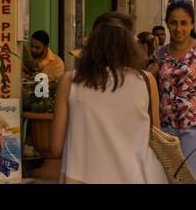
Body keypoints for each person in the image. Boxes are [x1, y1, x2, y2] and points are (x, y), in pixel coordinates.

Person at [53, 11, 168, 184]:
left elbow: (56, 147)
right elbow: (156, 141)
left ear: (92, 43)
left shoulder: (70, 81)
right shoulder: (146, 81)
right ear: (130, 44)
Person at [149, 0, 196, 178]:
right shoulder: (160, 53)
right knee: (167, 178)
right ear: (167, 23)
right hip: (166, 130)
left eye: (183, 23)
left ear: (191, 24)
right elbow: (151, 84)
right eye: (173, 23)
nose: (178, 28)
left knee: (193, 178)